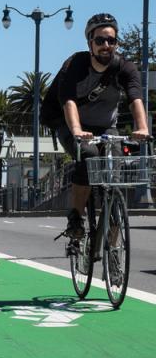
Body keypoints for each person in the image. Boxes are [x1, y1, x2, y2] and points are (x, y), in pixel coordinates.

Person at [56, 13, 149, 242]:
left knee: (115, 175)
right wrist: (77, 130)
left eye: (111, 41)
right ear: (90, 43)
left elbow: (135, 98)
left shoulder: (124, 67)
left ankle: (112, 250)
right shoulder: (76, 64)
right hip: (73, 124)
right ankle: (76, 219)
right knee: (87, 157)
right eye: (100, 41)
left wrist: (143, 128)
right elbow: (68, 100)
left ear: (116, 43)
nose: (106, 45)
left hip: (107, 128)